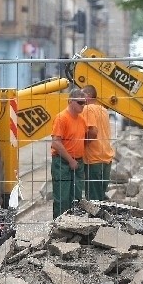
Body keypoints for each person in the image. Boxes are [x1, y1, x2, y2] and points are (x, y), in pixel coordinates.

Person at [50, 89, 87, 218]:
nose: (83, 106)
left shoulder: (82, 120)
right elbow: (56, 142)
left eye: (84, 103)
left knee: (76, 197)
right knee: (62, 198)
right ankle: (59, 228)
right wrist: (70, 160)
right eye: (80, 103)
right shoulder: (62, 118)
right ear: (70, 101)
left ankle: (74, 226)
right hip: (62, 163)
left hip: (77, 162)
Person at [81, 84, 115, 201]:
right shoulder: (103, 110)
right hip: (106, 157)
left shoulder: (87, 109)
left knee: (93, 200)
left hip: (93, 159)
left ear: (88, 95)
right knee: (100, 198)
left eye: (82, 95)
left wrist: (82, 145)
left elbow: (93, 131)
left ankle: (95, 220)